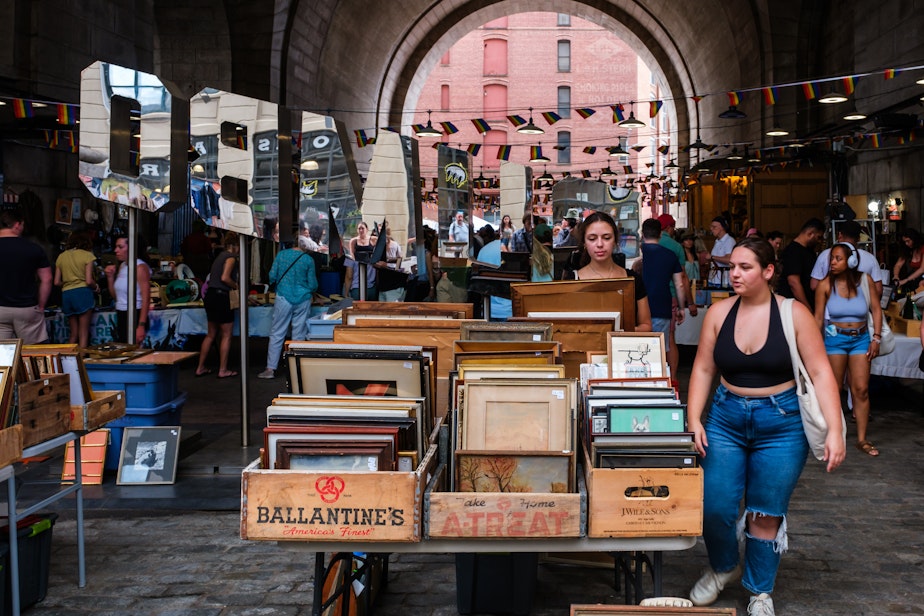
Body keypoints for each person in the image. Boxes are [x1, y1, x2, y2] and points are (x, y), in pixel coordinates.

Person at [687, 237, 846, 615]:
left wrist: (836, 429)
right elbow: (704, 367)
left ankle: (760, 591)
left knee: (765, 511)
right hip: (725, 418)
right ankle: (724, 566)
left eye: (746, 268)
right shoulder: (719, 313)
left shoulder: (794, 314)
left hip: (783, 422)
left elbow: (821, 371)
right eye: (733, 268)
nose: (735, 275)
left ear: (769, 271)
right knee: (714, 503)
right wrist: (693, 418)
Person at [814, 243, 882, 456]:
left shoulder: (864, 280)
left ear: (850, 261)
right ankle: (834, 436)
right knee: (834, 390)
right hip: (835, 340)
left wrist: (876, 339)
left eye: (837, 259)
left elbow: (877, 310)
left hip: (861, 339)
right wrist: (813, 346)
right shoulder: (825, 285)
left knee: (860, 389)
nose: (832, 263)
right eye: (831, 259)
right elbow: (817, 319)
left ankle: (862, 439)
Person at [573, 211, 652, 332]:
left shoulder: (633, 279)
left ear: (615, 240)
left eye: (606, 238)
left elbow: (646, 326)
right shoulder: (573, 280)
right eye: (592, 238)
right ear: (584, 242)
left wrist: (617, 333)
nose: (600, 244)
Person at [258, 235, 318, 379]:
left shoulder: (281, 255)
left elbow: (272, 276)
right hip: (303, 299)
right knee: (299, 334)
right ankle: (295, 370)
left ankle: (270, 369)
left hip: (283, 298)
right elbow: (313, 284)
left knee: (277, 333)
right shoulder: (308, 260)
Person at [639, 218, 689, 378]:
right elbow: (679, 284)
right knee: (660, 348)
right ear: (660, 233)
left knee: (638, 348)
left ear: (642, 234)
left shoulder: (638, 252)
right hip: (662, 306)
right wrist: (681, 307)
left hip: (637, 309)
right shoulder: (670, 255)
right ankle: (660, 383)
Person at [0, 205, 52, 344]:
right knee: (33, 354)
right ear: (17, 224)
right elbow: (46, 279)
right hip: (26, 309)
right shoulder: (34, 249)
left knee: (2, 355)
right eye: (22, 224)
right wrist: (41, 306)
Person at [657, 214, 696, 384]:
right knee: (670, 338)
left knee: (653, 338)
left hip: (651, 297)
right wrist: (689, 302)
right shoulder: (676, 247)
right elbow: (682, 279)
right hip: (671, 296)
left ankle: (656, 377)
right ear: (669, 228)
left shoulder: (649, 243)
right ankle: (672, 379)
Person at [195, 232, 240, 378]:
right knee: (226, 335)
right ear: (235, 245)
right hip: (222, 297)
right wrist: (237, 286)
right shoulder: (231, 258)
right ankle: (223, 370)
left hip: (211, 295)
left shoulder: (219, 257)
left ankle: (200, 367)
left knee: (211, 334)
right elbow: (225, 278)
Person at [810, 220, 883, 299]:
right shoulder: (870, 258)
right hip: (862, 309)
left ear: (840, 235)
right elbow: (878, 290)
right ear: (859, 238)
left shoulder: (824, 255)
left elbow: (814, 286)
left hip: (830, 309)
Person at [54, 231, 99, 348]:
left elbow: (56, 282)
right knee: (83, 333)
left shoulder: (61, 256)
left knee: (73, 334)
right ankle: (82, 362)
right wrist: (96, 287)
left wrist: (68, 282)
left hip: (67, 295)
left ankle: (69, 361)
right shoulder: (87, 255)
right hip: (82, 293)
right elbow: (89, 281)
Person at [104, 235, 151, 345]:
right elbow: (117, 297)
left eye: (120, 247)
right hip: (121, 314)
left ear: (131, 248)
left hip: (136, 314)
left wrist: (141, 325)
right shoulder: (122, 266)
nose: (116, 250)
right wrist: (110, 278)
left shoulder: (140, 268)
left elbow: (146, 298)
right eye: (116, 247)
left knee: (136, 352)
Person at [775, 218, 824, 310]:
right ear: (810, 233)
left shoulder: (809, 251)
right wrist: (807, 307)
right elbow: (794, 282)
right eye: (819, 237)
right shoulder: (794, 251)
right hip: (795, 307)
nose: (820, 241)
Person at [892, 228, 924, 293]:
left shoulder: (923, 248)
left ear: (914, 239)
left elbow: (922, 270)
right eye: (905, 242)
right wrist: (896, 276)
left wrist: (906, 280)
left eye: (908, 241)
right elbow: (898, 265)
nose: (906, 244)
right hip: (914, 277)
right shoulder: (908, 250)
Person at [708, 216, 735, 287]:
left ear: (722, 228)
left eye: (714, 227)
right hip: (714, 279)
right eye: (711, 227)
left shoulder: (729, 241)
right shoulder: (717, 241)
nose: (711, 229)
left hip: (723, 281)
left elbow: (729, 260)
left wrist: (712, 257)